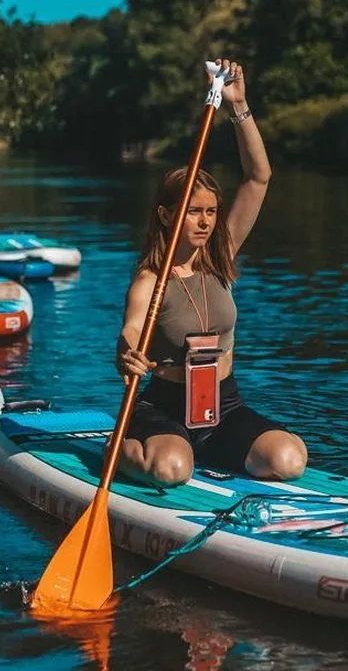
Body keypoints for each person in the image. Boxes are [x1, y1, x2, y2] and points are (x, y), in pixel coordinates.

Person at [115, 59, 307, 486]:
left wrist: (238, 106)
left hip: (224, 406)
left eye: (210, 212)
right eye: (193, 212)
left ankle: (212, 451)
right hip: (163, 408)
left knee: (289, 458)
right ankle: (120, 443)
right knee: (171, 471)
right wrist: (126, 353)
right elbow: (131, 329)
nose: (204, 222)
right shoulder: (152, 279)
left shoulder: (221, 256)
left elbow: (259, 177)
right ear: (166, 215)